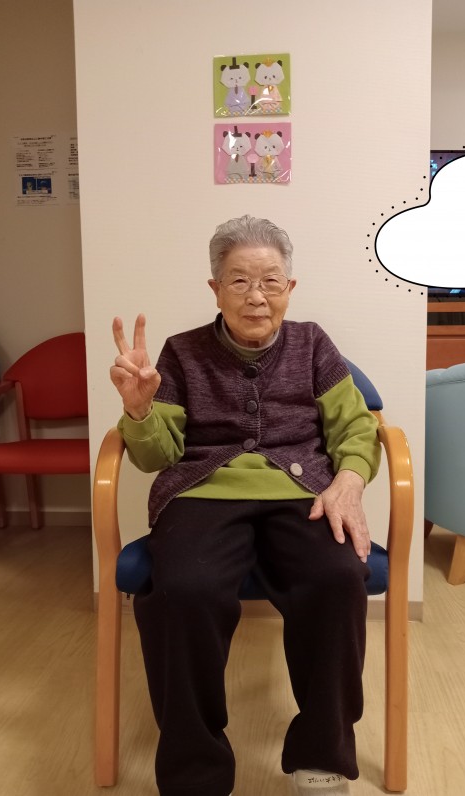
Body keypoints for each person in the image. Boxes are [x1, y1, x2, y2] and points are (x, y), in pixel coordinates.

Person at [110, 215, 381, 796]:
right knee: (183, 589)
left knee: (337, 577)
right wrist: (139, 410)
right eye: (239, 281)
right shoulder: (181, 353)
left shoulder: (312, 343)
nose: (257, 296)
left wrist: (349, 480)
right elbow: (158, 456)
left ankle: (322, 752)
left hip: (302, 492)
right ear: (215, 289)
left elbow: (357, 427)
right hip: (202, 492)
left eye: (270, 281)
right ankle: (195, 772)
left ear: (290, 287)